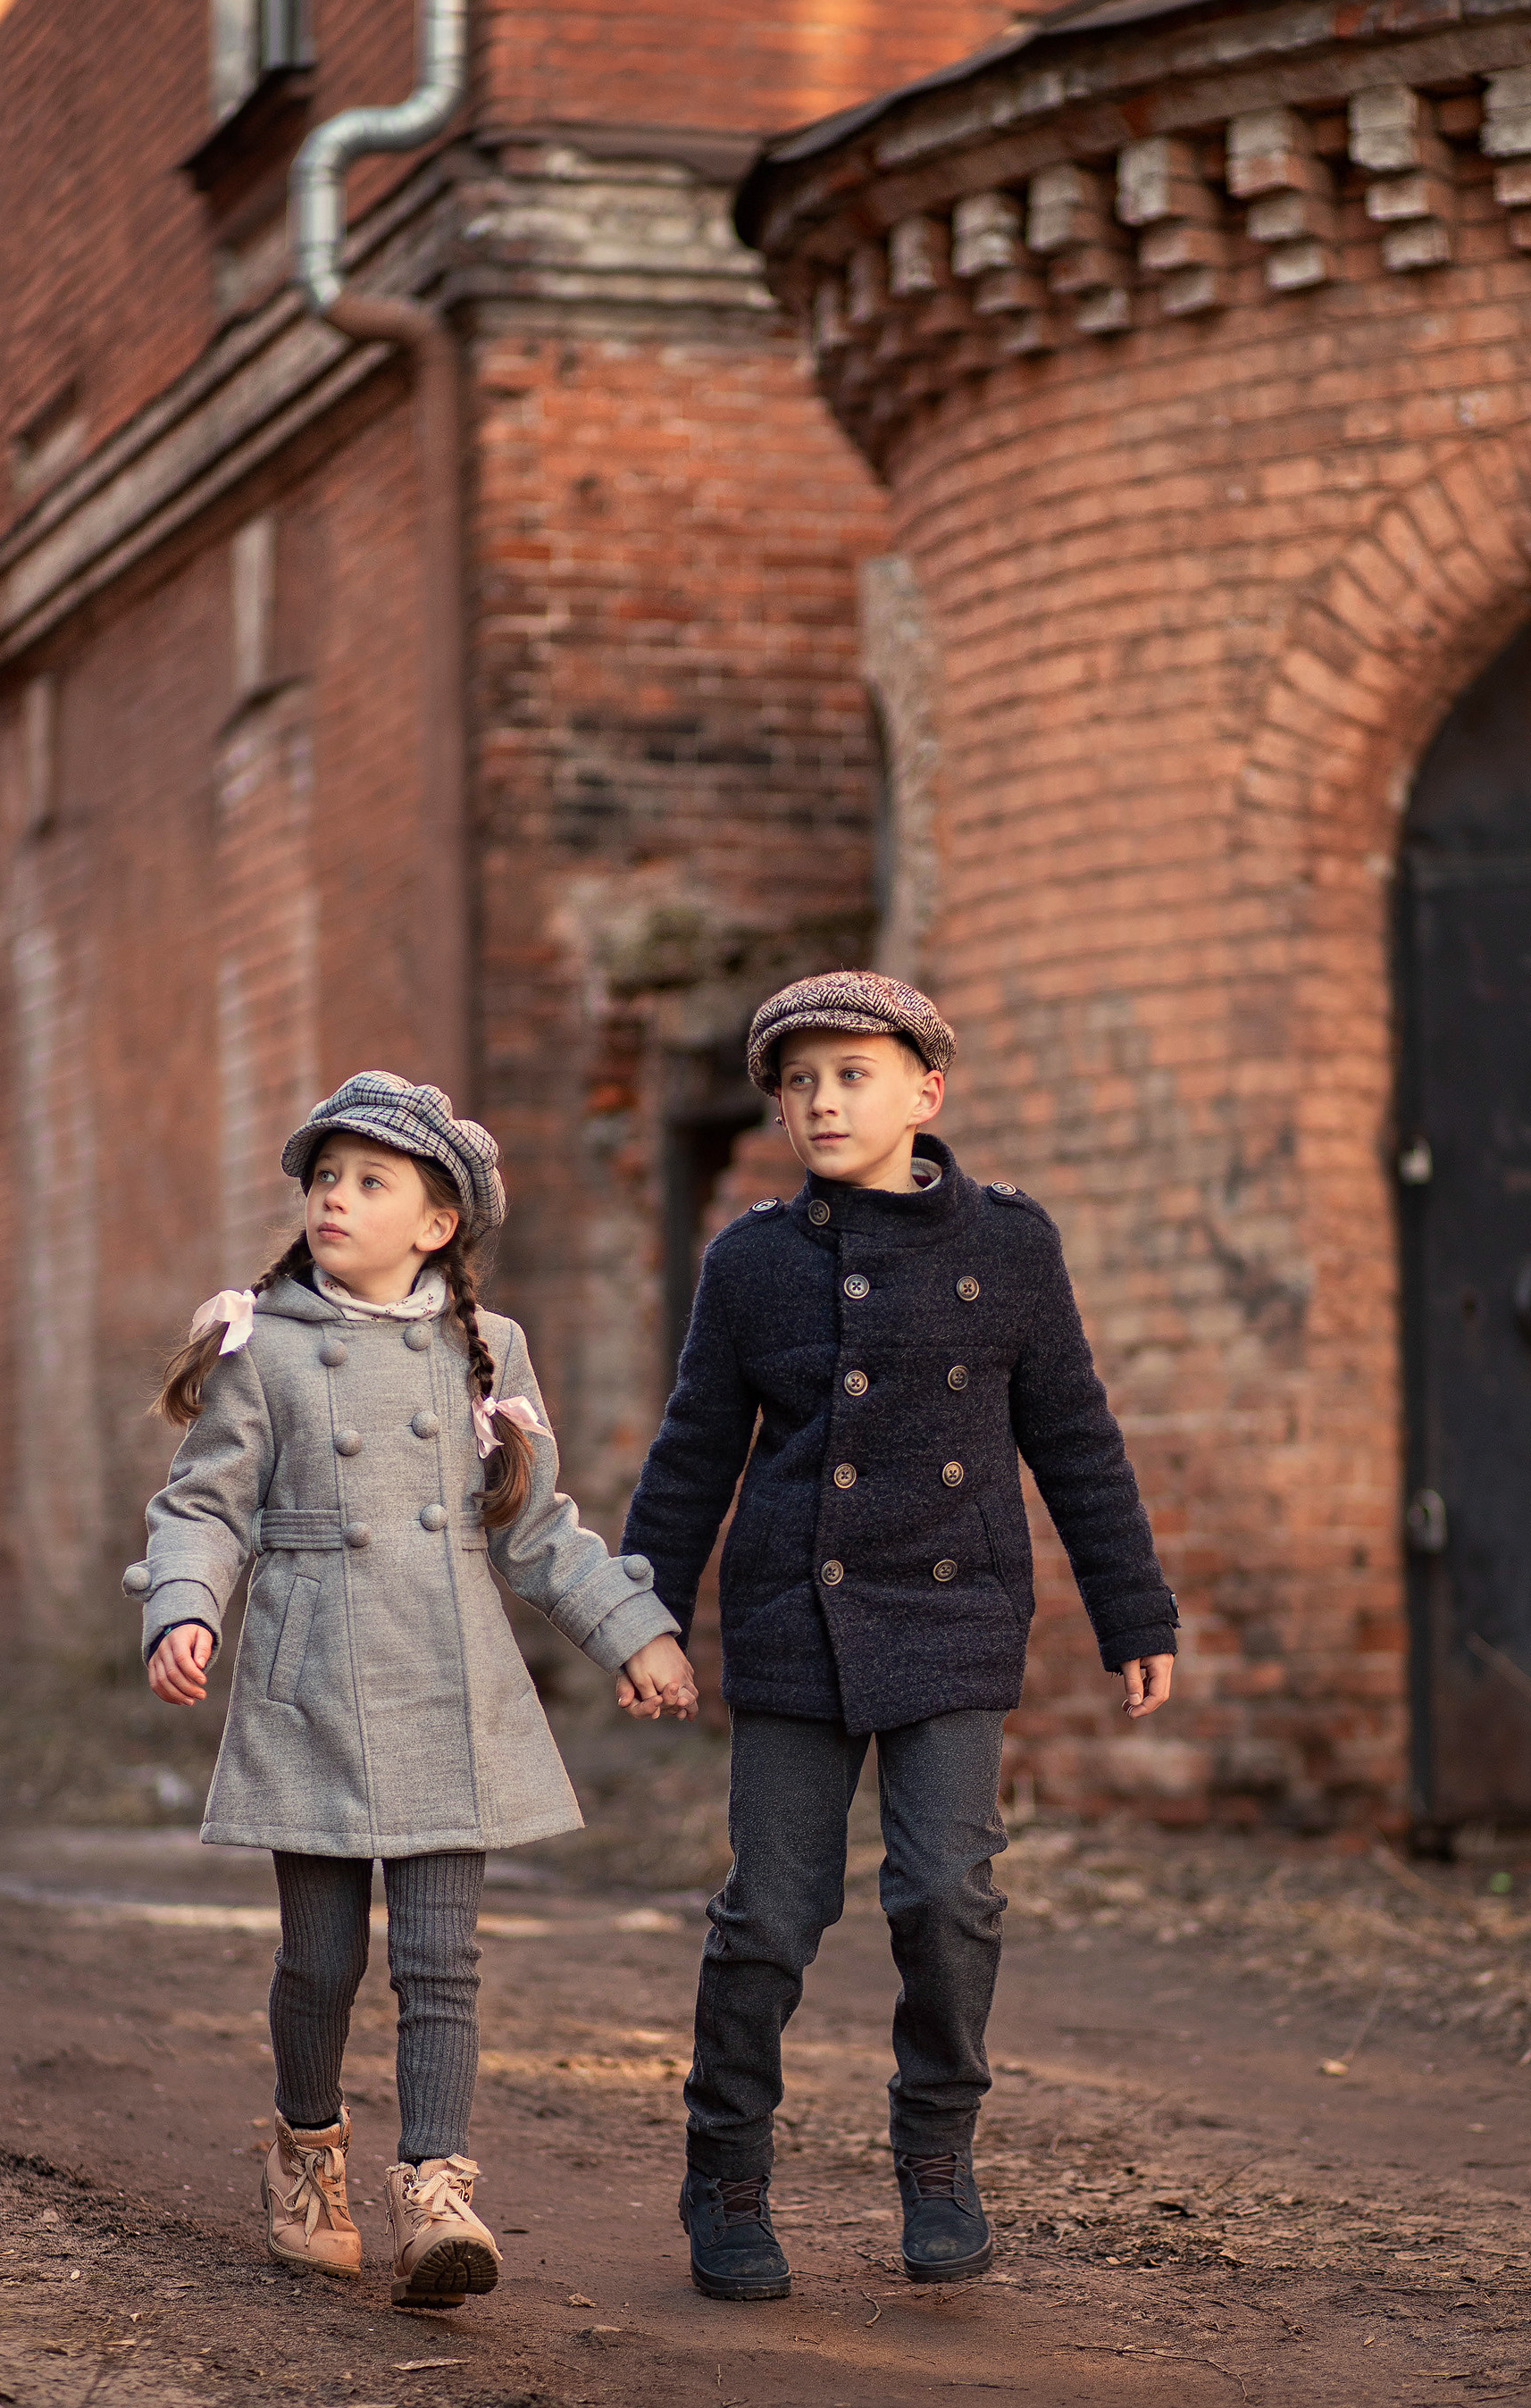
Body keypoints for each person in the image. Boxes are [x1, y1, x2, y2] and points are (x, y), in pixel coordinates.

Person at [621, 973, 1177, 2301]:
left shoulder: (1012, 1248)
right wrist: (637, 1610)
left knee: (945, 1893)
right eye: (799, 1081)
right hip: (794, 1621)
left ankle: (938, 2154)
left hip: (954, 1614)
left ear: (925, 1091)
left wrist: (1134, 1608)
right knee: (770, 1910)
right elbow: (694, 1451)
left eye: (852, 1074)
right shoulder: (750, 1261)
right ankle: (728, 2172)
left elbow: (1077, 1440)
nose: (822, 1099)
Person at [125, 1071, 697, 2309]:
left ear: (438, 1222)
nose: (335, 1197)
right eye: (325, 1177)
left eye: (369, 1180)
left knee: (442, 1959)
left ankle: (436, 2189)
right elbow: (205, 1506)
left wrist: (632, 1632)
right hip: (311, 1687)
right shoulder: (261, 1343)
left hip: (451, 1685)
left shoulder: (487, 1350)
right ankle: (306, 2152)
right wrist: (183, 1605)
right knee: (320, 1961)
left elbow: (536, 1529)